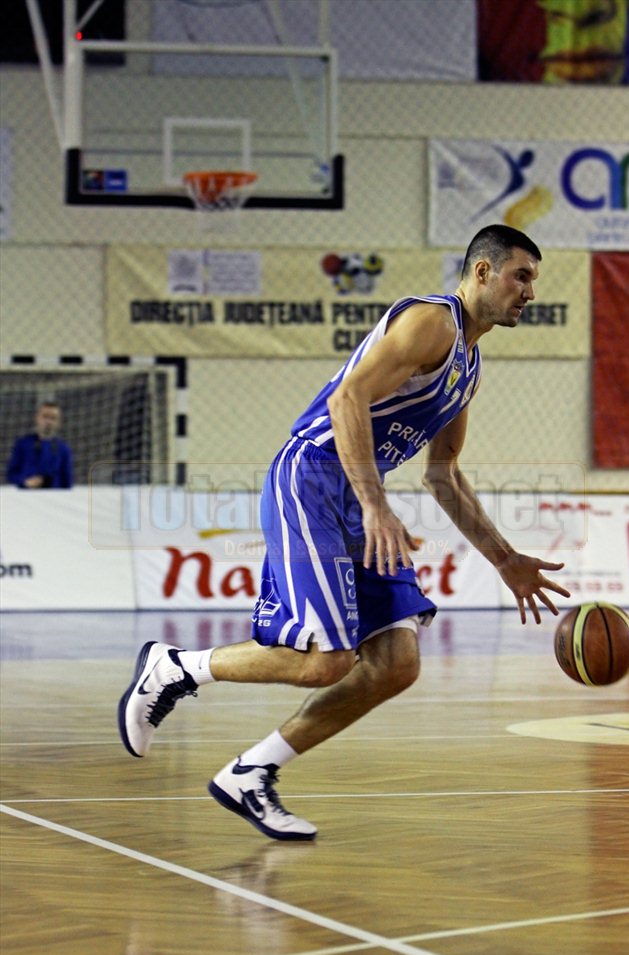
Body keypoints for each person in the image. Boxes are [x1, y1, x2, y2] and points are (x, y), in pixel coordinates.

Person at [118, 224, 571, 842]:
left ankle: (252, 772)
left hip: (359, 494)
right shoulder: (431, 322)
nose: (529, 292)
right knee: (325, 660)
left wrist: (504, 559)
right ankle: (174, 667)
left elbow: (442, 473)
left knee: (395, 664)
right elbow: (347, 399)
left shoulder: (468, 367)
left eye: (534, 281)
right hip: (313, 476)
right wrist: (376, 505)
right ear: (483, 272)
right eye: (521, 276)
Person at [6, 401, 74, 489]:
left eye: (53, 418)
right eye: (45, 416)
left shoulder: (64, 449)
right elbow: (11, 475)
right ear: (37, 418)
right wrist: (24, 482)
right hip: (27, 495)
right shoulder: (22, 444)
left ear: (59, 422)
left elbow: (68, 482)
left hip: (53, 496)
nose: (48, 421)